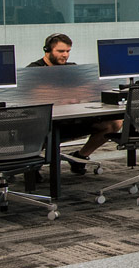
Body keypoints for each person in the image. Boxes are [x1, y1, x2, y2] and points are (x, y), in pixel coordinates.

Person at [28, 32, 118, 173]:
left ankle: (79, 157)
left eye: (68, 51)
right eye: (61, 51)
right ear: (47, 50)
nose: (65, 55)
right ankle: (32, 168)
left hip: (73, 119)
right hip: (47, 124)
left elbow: (87, 91)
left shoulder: (72, 69)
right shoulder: (34, 71)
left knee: (114, 123)